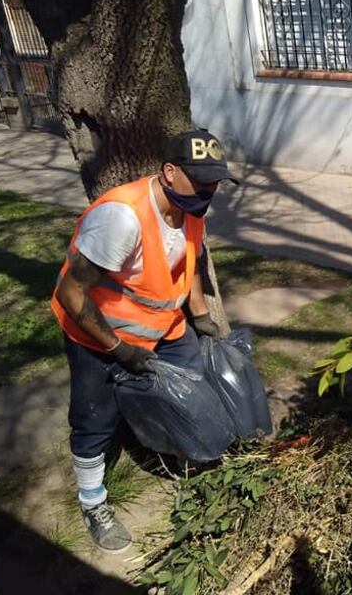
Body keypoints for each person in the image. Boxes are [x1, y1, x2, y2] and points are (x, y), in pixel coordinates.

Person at [50, 130, 238, 552]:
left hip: (164, 326)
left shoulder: (191, 207)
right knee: (95, 418)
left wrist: (201, 315)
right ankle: (94, 500)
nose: (210, 189)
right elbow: (71, 293)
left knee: (189, 390)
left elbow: (191, 259)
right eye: (201, 179)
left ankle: (175, 450)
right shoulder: (121, 218)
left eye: (215, 181)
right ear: (170, 172)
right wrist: (117, 349)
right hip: (97, 335)